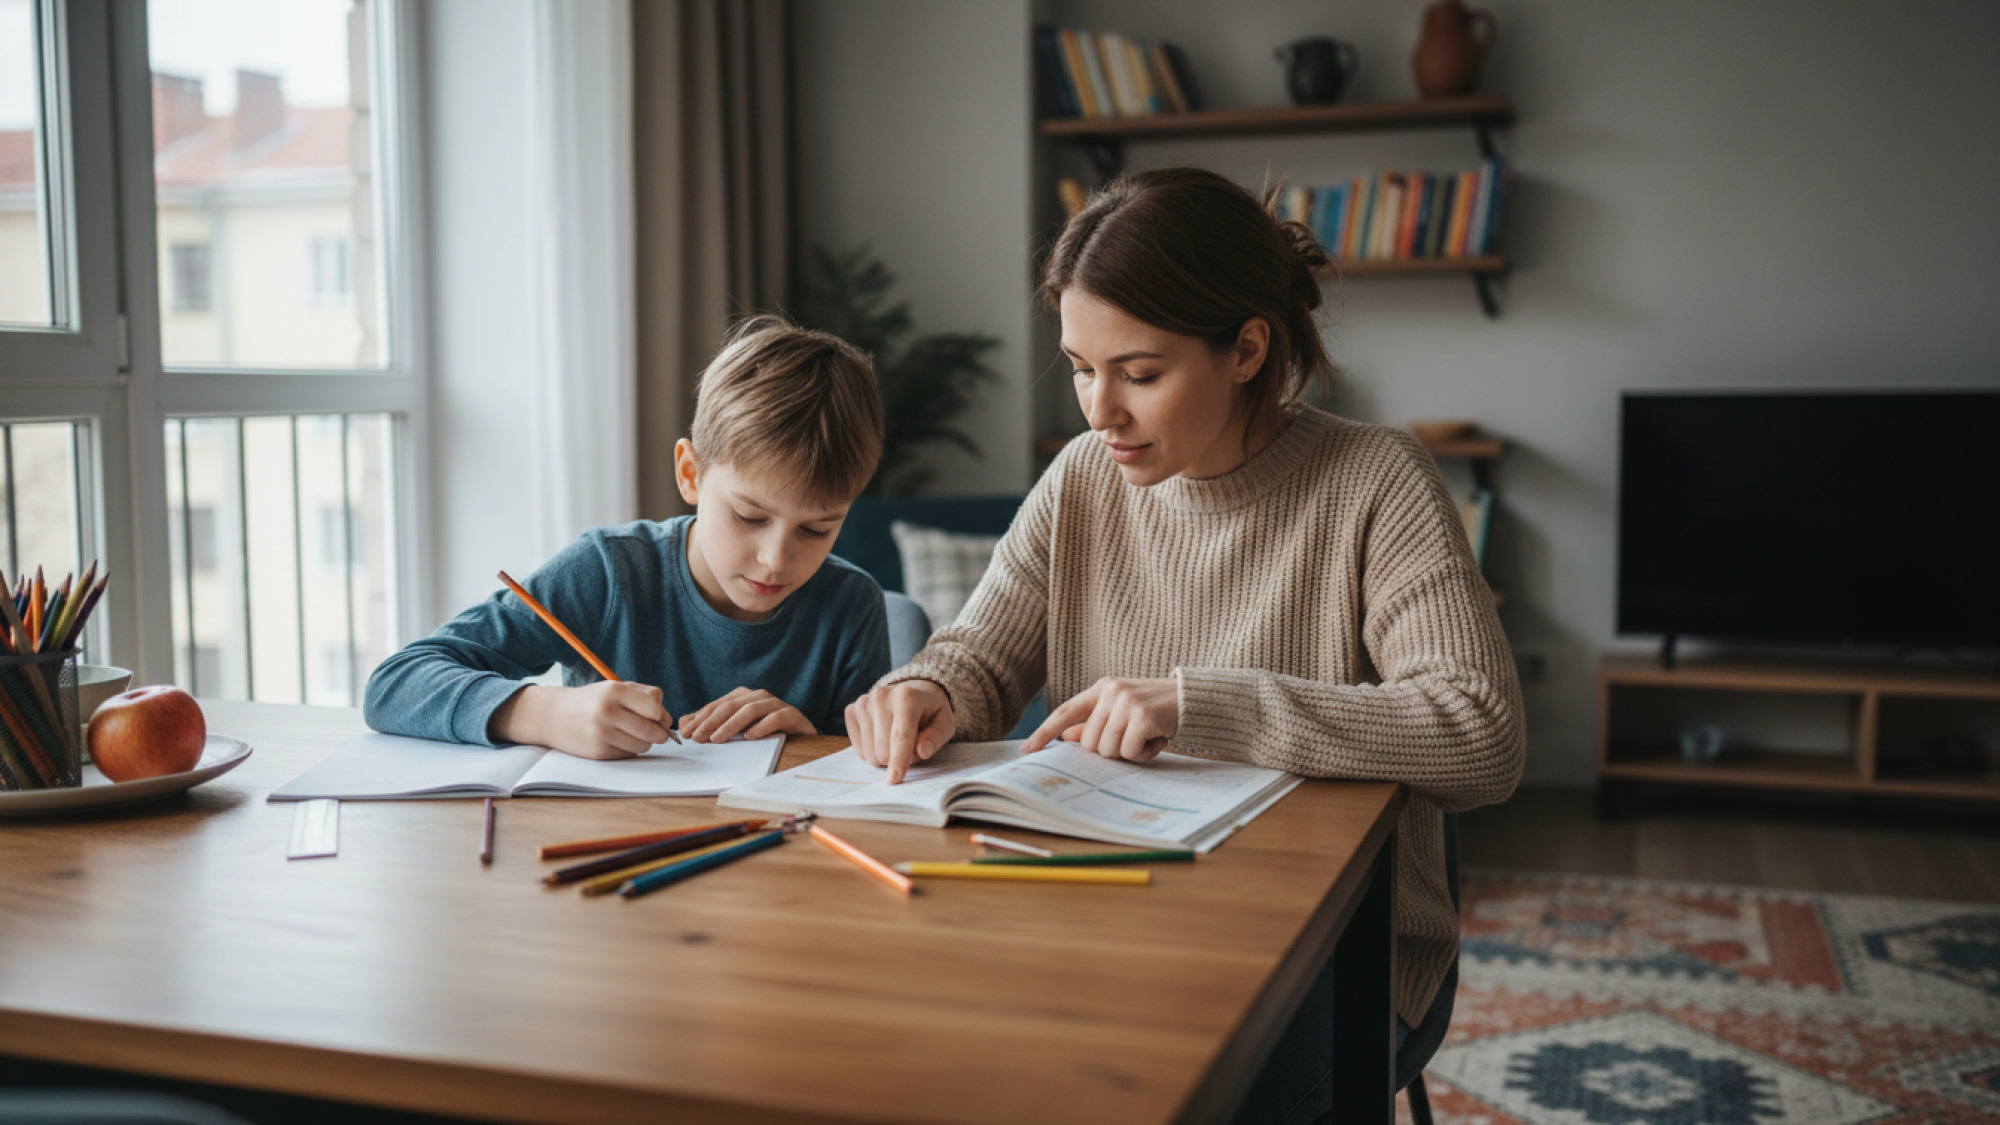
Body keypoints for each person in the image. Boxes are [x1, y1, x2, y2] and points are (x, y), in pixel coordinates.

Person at [844, 167, 1523, 1123]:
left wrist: (1204, 704)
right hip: (1104, 906)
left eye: (1140, 373)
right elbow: (981, 654)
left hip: (1332, 949)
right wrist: (929, 690)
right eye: (1080, 367)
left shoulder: (1376, 480)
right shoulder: (1082, 478)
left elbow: (1482, 733)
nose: (1098, 411)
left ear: (1246, 349)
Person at [366, 316, 892, 758]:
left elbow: (862, 779)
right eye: (749, 516)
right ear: (690, 474)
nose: (776, 559)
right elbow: (396, 683)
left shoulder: (851, 606)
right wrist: (544, 714)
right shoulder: (607, 573)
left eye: (817, 529)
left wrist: (809, 743)